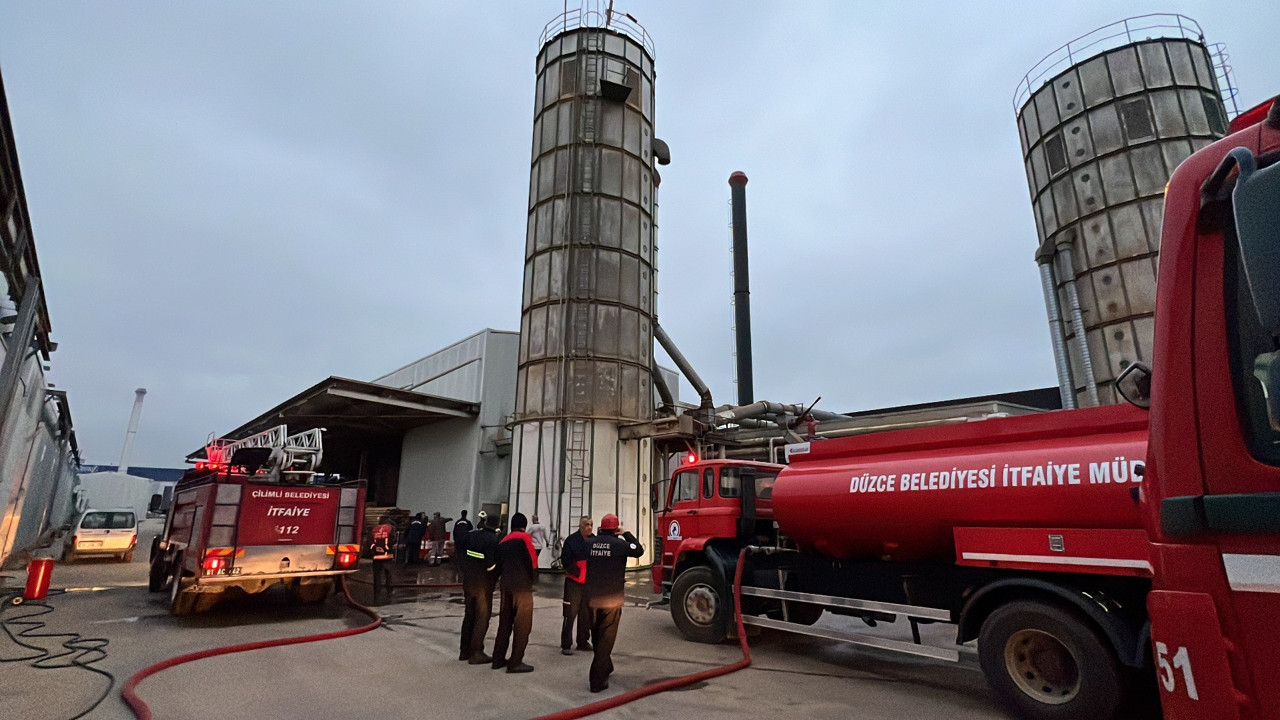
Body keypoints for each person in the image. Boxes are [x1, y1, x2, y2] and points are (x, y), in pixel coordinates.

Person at [584, 513, 644, 693]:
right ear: (615, 529)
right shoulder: (621, 545)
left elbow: (575, 554)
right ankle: (597, 681)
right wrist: (626, 534)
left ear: (601, 527)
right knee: (606, 640)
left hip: (591, 598)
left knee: (596, 637)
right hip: (612, 599)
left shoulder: (589, 543)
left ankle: (606, 666)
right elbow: (638, 549)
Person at [491, 512, 538, 673]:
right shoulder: (524, 538)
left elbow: (497, 565)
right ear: (524, 526)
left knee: (505, 623)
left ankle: (497, 659)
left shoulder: (503, 541)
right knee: (522, 625)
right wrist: (533, 580)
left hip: (506, 586)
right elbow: (532, 561)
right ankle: (515, 662)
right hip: (522, 587)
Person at [460, 513, 500, 664]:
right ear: (497, 525)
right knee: (482, 616)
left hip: (468, 580)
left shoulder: (472, 535)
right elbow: (490, 565)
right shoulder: (492, 540)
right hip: (482, 583)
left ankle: (464, 651)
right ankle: (476, 652)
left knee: (469, 614)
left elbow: (462, 552)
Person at [559, 515, 594, 655]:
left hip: (588, 584)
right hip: (574, 583)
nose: (589, 527)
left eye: (591, 524)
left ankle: (583, 641)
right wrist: (577, 572)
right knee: (570, 613)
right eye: (586, 524)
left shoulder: (594, 540)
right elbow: (565, 560)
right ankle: (566, 644)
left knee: (586, 614)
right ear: (580, 526)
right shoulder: (571, 541)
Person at [369, 515, 395, 604]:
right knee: (388, 574)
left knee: (377, 576)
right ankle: (389, 590)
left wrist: (373, 552)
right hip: (387, 556)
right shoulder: (390, 528)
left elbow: (369, 542)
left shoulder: (374, 529)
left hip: (376, 557)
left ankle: (377, 590)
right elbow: (393, 540)